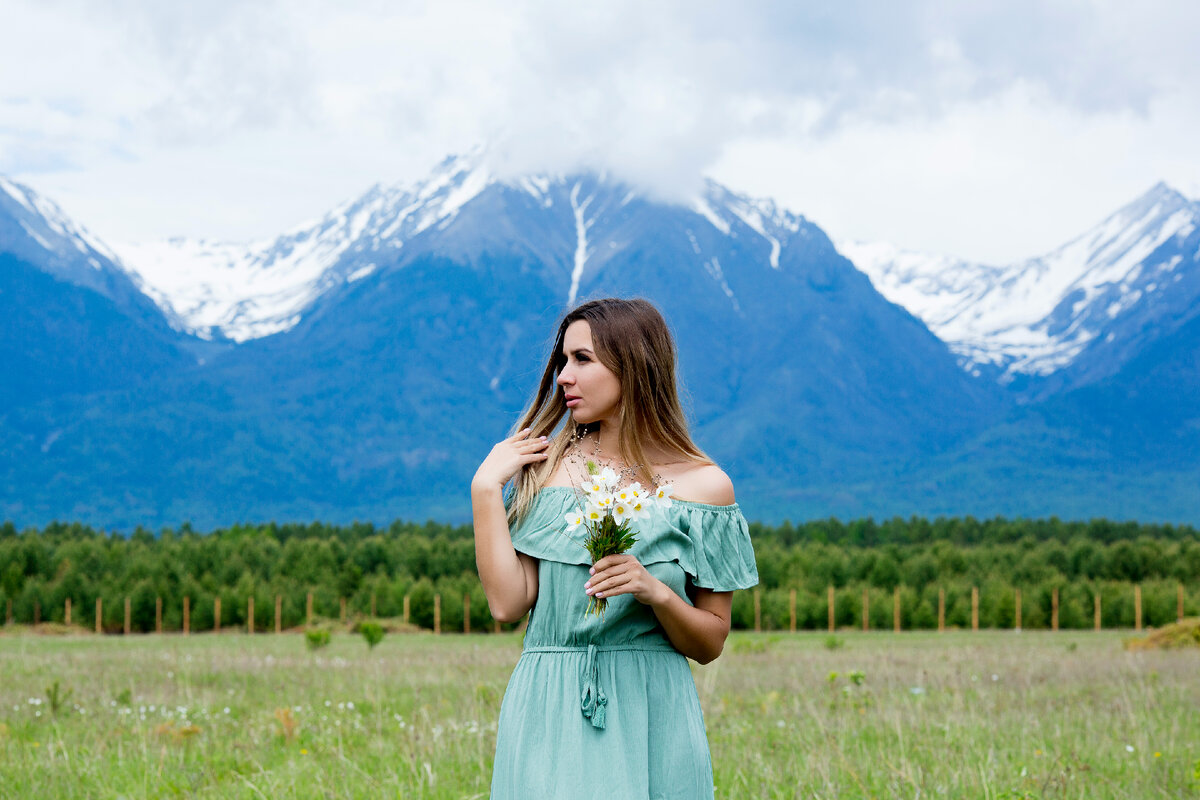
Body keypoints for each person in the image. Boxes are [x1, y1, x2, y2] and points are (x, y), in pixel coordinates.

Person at [471, 297, 758, 799]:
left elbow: (710, 643)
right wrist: (484, 489)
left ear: (635, 366)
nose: (563, 376)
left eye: (582, 360)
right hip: (549, 707)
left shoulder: (705, 488)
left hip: (652, 711)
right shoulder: (547, 469)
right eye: (563, 360)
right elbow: (506, 603)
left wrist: (656, 592)